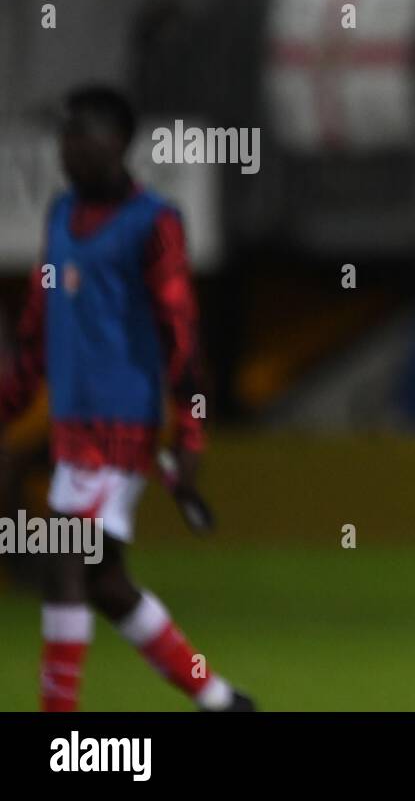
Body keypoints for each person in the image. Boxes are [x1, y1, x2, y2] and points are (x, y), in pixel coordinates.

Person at [0, 85, 253, 711]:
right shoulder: (59, 214)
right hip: (71, 430)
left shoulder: (154, 224)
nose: (67, 146)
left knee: (64, 560)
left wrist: (190, 435)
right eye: (63, 134)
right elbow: (37, 327)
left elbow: (182, 335)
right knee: (105, 582)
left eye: (81, 133)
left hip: (120, 430)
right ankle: (220, 700)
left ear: (117, 142)